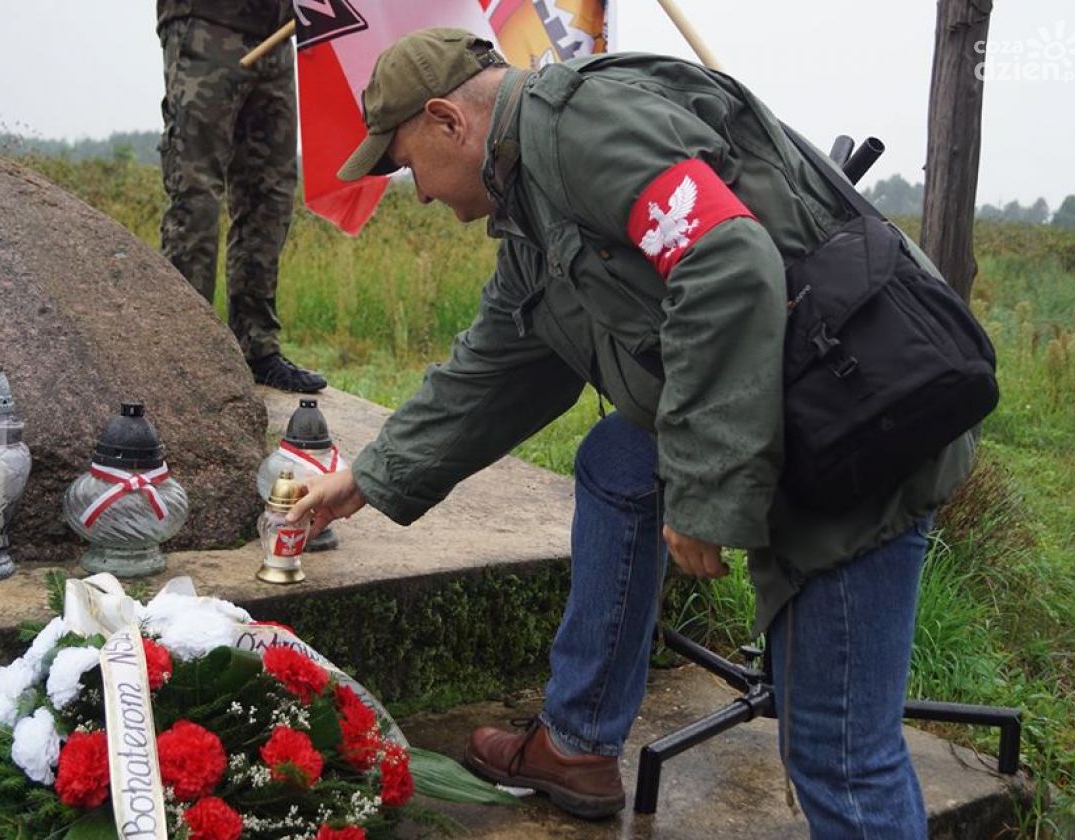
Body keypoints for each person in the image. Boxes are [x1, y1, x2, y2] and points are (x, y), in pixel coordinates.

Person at [288, 28, 976, 836]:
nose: (421, 196)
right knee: (618, 459)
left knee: (840, 755)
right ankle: (576, 742)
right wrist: (369, 477)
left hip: (859, 428)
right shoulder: (531, 198)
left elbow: (724, 263)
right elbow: (498, 363)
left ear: (448, 120)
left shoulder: (582, 131)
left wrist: (703, 488)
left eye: (410, 168)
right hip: (791, 395)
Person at [156, 0, 326, 392]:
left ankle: (257, 347)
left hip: (277, 32)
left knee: (271, 192)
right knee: (196, 191)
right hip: (207, 23)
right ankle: (184, 350)